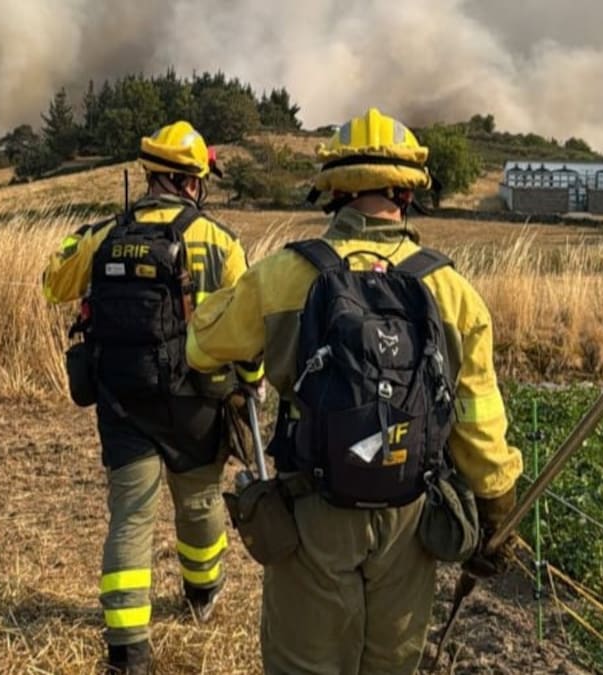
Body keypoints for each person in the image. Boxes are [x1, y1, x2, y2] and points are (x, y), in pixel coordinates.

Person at [185, 108, 523, 674]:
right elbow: (478, 418)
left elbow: (201, 348)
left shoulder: (283, 275)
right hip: (410, 514)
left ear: (333, 190)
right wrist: (496, 505)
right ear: (408, 191)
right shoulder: (451, 290)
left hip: (312, 509)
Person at [42, 120, 260, 675]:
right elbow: (248, 328)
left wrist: (83, 239)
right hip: (196, 401)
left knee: (131, 518)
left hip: (122, 399)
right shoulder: (220, 241)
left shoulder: (106, 234)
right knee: (200, 504)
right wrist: (250, 384)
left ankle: (127, 648)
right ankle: (201, 595)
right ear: (192, 183)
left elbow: (52, 283)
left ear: (149, 176)